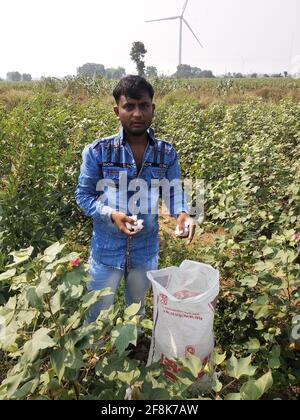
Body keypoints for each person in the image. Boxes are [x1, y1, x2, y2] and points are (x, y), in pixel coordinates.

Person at [75, 75, 195, 325]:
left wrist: (182, 213)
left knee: (137, 311)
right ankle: (95, 360)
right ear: (117, 111)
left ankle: (132, 350)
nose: (137, 113)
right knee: (97, 314)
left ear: (153, 108)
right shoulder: (98, 151)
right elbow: (83, 196)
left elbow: (173, 192)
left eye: (144, 105)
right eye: (129, 106)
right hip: (106, 251)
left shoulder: (166, 153)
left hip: (144, 250)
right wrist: (111, 214)